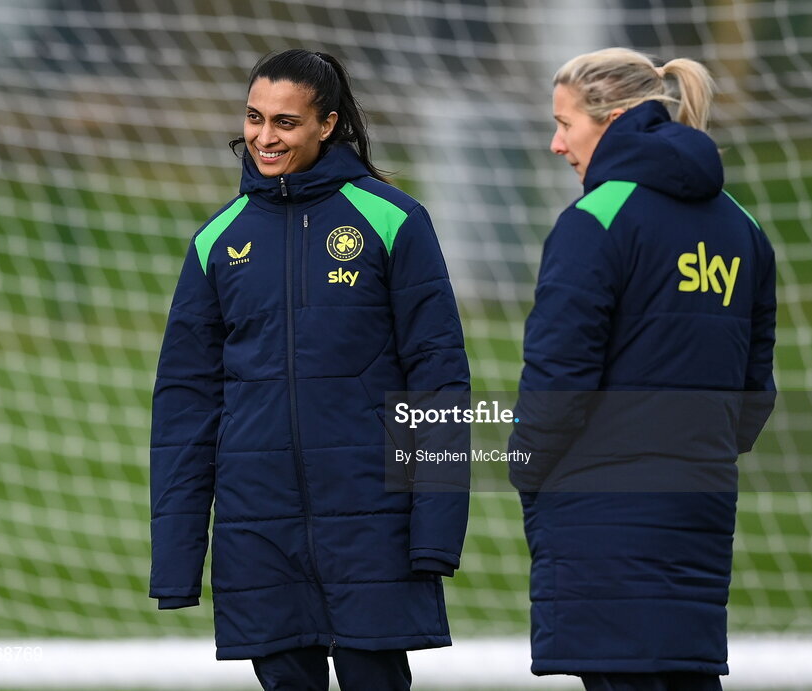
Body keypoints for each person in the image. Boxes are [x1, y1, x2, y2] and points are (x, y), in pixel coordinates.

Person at [149, 49, 470, 691]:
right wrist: (177, 561)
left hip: (374, 520)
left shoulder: (394, 220)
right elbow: (185, 405)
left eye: (286, 122)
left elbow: (439, 379)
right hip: (257, 530)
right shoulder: (217, 240)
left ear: (327, 124)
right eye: (254, 117)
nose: (264, 137)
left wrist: (435, 530)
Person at [507, 48, 777, 690]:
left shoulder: (595, 221)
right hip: (699, 505)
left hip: (601, 517)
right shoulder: (741, 227)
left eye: (565, 124)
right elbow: (755, 389)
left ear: (612, 119)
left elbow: (557, 378)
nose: (556, 144)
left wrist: (526, 466)